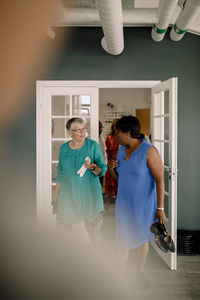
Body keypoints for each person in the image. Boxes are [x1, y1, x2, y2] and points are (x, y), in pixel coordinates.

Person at [108, 115, 166, 276]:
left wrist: (160, 208)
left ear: (127, 132)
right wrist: (111, 169)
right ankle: (121, 277)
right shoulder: (120, 150)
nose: (114, 135)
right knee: (122, 239)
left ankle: (139, 274)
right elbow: (121, 179)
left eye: (117, 132)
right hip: (124, 203)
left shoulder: (149, 150)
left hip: (144, 205)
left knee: (141, 239)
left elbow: (160, 180)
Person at [54, 117, 107, 242]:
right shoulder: (64, 149)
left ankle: (93, 258)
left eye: (84, 129)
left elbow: (102, 169)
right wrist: (57, 196)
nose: (82, 133)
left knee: (93, 233)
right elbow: (61, 172)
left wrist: (93, 167)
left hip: (89, 194)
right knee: (62, 230)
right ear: (69, 132)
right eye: (78, 130)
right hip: (68, 193)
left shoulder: (93, 146)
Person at [104, 119, 120, 207]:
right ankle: (107, 202)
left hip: (121, 163)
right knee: (109, 183)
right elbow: (106, 151)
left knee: (119, 183)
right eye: (115, 125)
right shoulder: (109, 137)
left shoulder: (122, 137)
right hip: (110, 162)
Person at [99, 120, 107, 186]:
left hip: (101, 168)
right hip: (91, 168)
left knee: (100, 186)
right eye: (98, 127)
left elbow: (104, 153)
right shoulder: (88, 139)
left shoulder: (102, 138)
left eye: (101, 127)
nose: (100, 129)